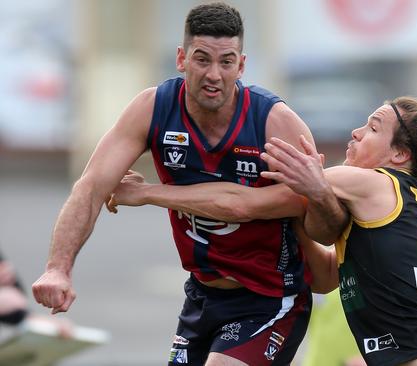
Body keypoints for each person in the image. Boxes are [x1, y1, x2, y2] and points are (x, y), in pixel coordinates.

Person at [31, 3, 343, 365]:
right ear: (181, 59)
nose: (214, 74)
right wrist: (58, 267)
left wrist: (148, 193)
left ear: (241, 66)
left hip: (271, 297)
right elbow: (90, 187)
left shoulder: (274, 122)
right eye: (202, 59)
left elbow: (265, 205)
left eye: (226, 62)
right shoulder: (153, 108)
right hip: (202, 295)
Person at [110, 97, 417, 366]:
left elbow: (245, 204)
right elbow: (327, 278)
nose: (357, 132)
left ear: (399, 156)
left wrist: (145, 193)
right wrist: (294, 218)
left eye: (373, 127)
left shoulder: (376, 183)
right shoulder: (405, 204)